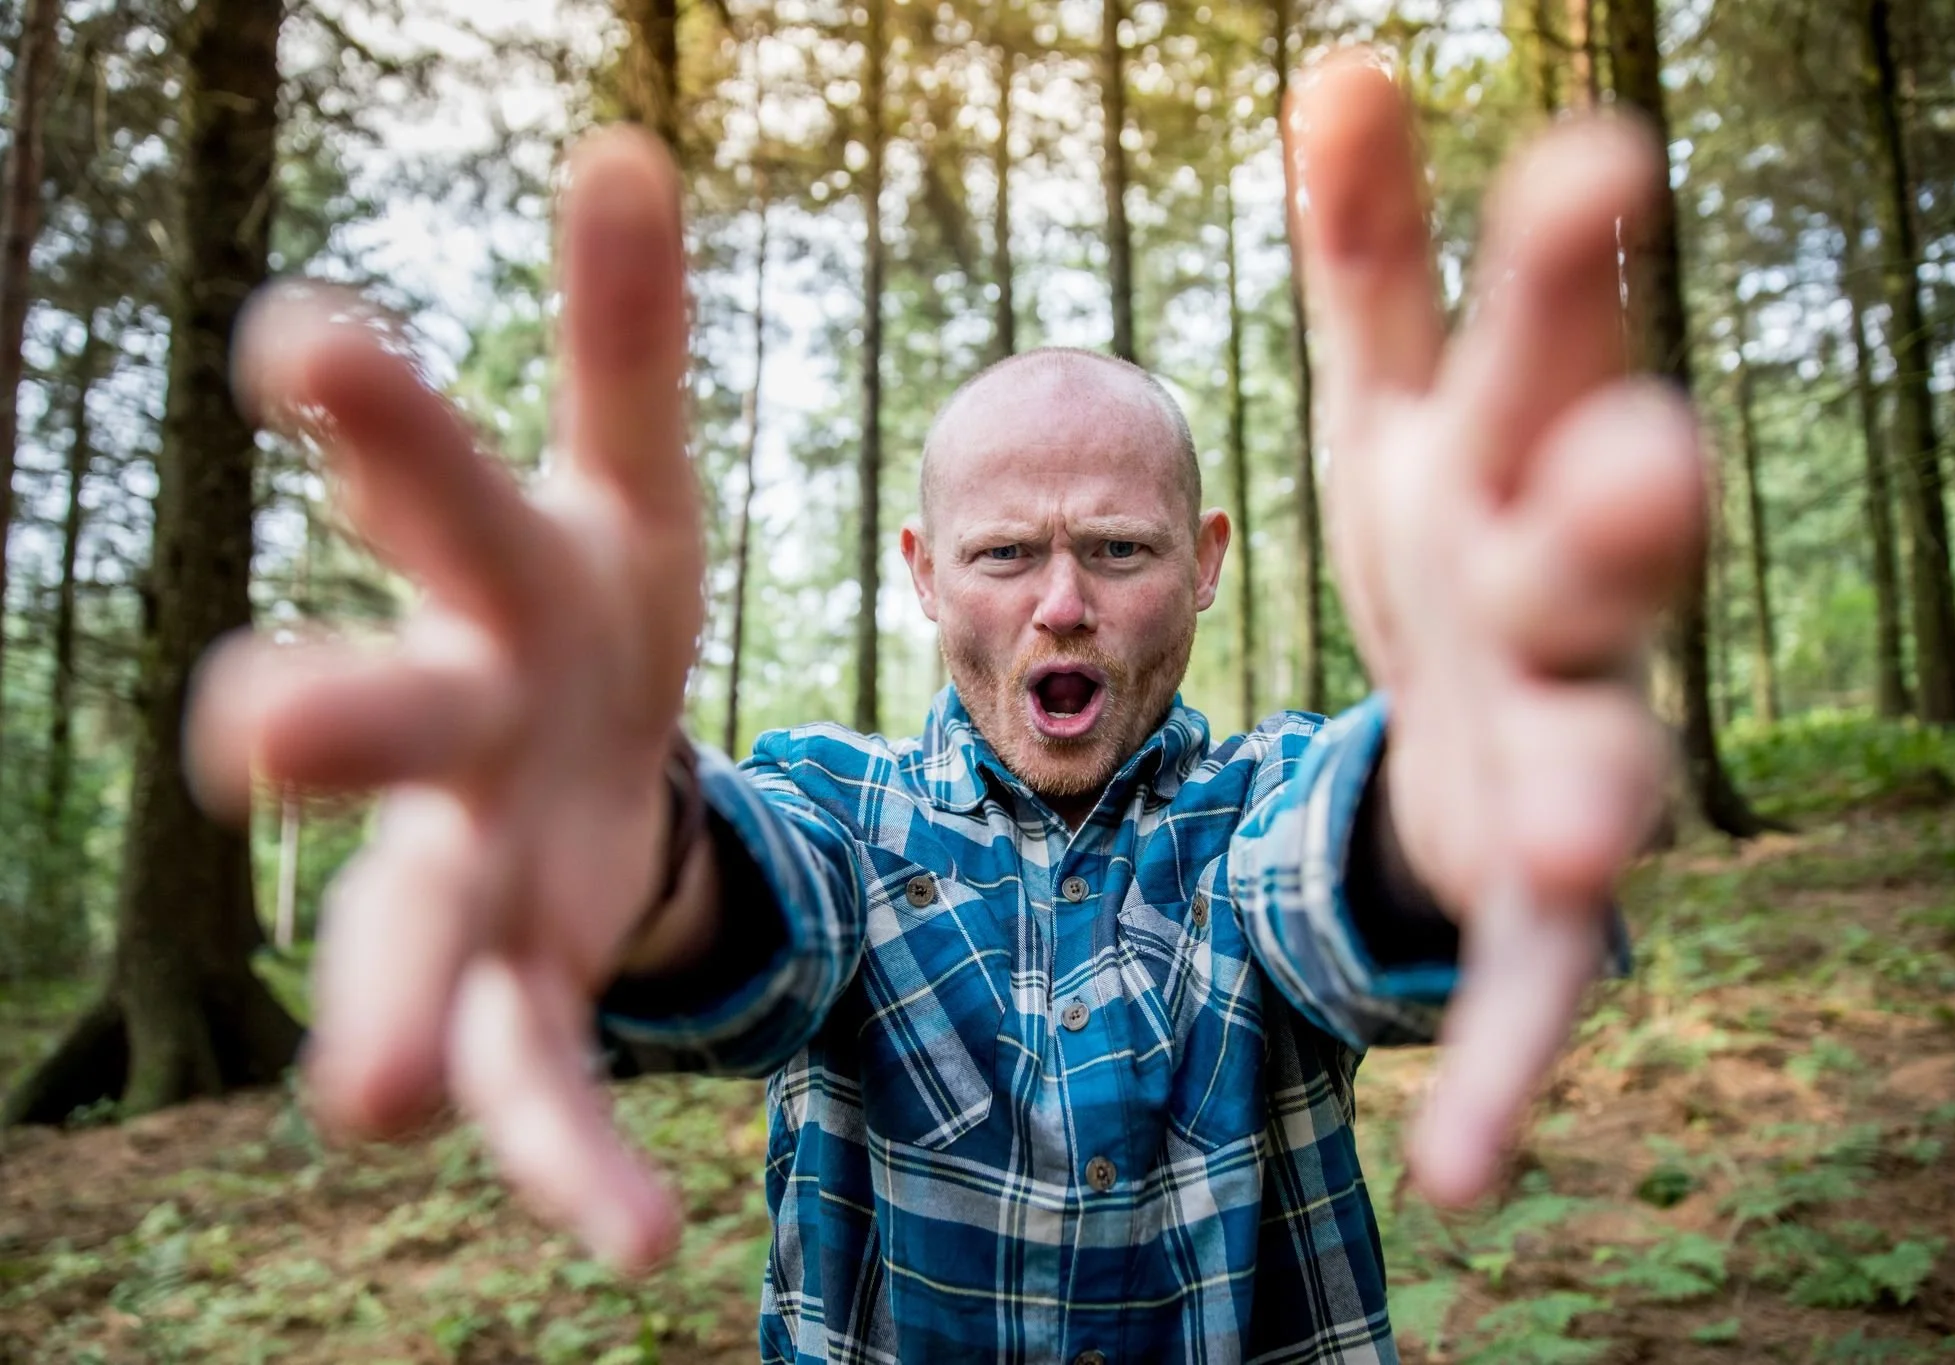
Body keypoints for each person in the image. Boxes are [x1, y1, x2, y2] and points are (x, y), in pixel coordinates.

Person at [187, 54, 1705, 1363]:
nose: (1063, 603)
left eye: (1120, 551)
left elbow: (1331, 882)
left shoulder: (1271, 796)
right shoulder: (837, 812)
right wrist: (641, 848)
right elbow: (759, 913)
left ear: (1207, 565)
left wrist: (1433, 817)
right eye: (1004, 555)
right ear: (922, 573)